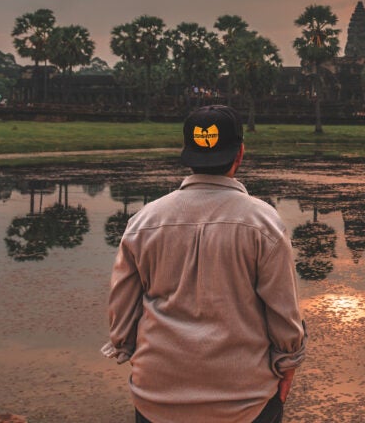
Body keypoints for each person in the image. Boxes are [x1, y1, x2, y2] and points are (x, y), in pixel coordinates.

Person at [102, 105, 307, 423]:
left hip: (157, 399)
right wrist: (288, 364)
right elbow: (284, 314)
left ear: (187, 155)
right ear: (240, 153)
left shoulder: (145, 221)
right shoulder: (263, 222)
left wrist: (131, 353)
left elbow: (121, 311)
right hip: (244, 402)